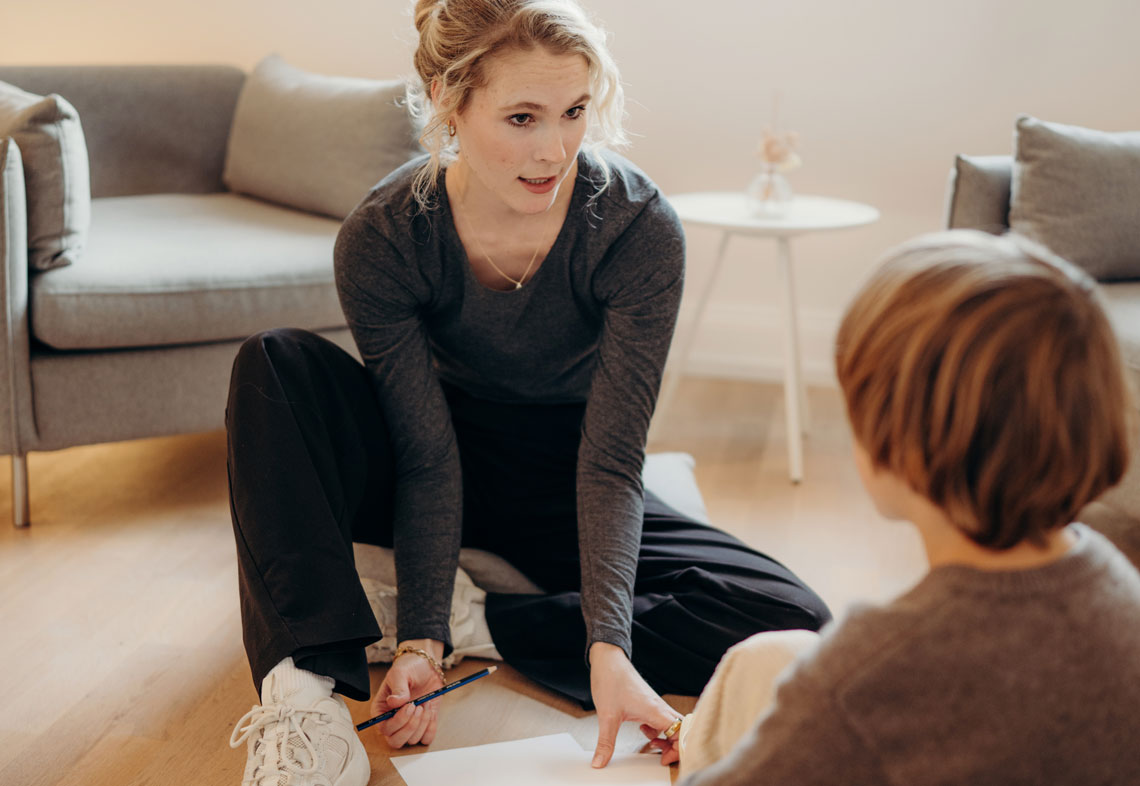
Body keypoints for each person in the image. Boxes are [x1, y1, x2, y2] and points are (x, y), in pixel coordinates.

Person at [225, 1, 831, 783]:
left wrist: (608, 648)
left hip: (568, 467)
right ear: (449, 100)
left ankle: (487, 615)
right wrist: (418, 643)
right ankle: (303, 693)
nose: (553, 149)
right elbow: (425, 453)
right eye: (521, 117)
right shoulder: (384, 234)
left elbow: (611, 461)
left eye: (574, 112)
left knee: (788, 615)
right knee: (274, 363)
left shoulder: (635, 225)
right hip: (431, 446)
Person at [646, 230, 1140, 785]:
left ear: (895, 444)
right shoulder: (1114, 581)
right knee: (769, 656)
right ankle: (688, 736)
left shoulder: (870, 675)